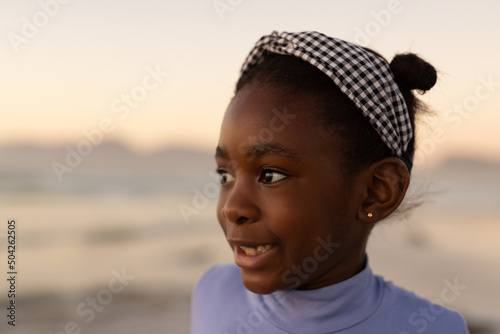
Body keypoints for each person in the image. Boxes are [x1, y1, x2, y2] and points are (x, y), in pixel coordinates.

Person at [191, 31, 468, 333]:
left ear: (376, 192)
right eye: (225, 175)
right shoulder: (212, 292)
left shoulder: (435, 328)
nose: (232, 208)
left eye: (270, 175)